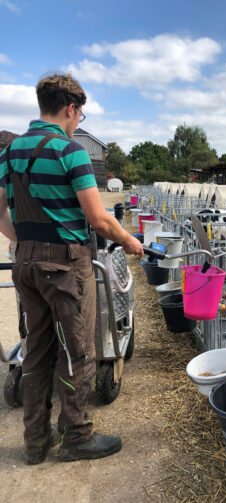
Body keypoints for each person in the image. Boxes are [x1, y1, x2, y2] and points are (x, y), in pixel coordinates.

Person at [0, 72, 143, 464]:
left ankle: (36, 442)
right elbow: (98, 219)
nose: (79, 121)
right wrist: (130, 241)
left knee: (37, 350)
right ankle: (77, 436)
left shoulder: (9, 152)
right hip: (65, 266)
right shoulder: (69, 150)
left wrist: (27, 241)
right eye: (80, 114)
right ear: (70, 108)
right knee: (76, 351)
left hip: (25, 263)